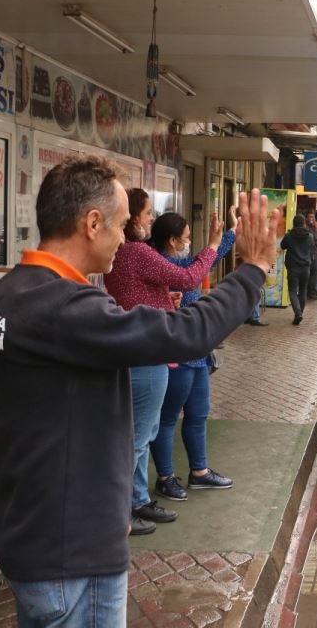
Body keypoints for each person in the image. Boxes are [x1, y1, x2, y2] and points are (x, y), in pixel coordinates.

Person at [0, 156, 275, 627]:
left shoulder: (7, 295)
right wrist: (251, 269)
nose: (128, 236)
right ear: (92, 223)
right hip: (72, 554)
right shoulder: (61, 309)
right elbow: (186, 333)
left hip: (34, 536)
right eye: (121, 225)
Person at [104, 188, 225, 535]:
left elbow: (139, 292)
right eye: (145, 215)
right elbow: (187, 278)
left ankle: (139, 499)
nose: (149, 221)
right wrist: (214, 245)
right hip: (147, 352)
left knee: (145, 432)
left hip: (141, 349)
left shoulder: (126, 254)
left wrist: (160, 297)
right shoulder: (137, 252)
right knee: (140, 436)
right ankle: (125, 511)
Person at [149, 211, 237, 503]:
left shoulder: (183, 262)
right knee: (167, 419)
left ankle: (199, 472)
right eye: (186, 239)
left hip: (197, 354)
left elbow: (203, 261)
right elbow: (197, 266)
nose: (189, 243)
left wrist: (228, 234)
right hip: (176, 354)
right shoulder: (163, 264)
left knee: (198, 414)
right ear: (172, 241)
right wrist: (220, 240)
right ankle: (165, 477)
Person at [280, 214, 316, 325]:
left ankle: (298, 313)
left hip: (293, 268)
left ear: (294, 223)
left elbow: (282, 246)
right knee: (303, 291)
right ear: (304, 223)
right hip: (306, 268)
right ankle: (299, 313)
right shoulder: (310, 236)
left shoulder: (289, 236)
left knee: (292, 291)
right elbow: (312, 248)